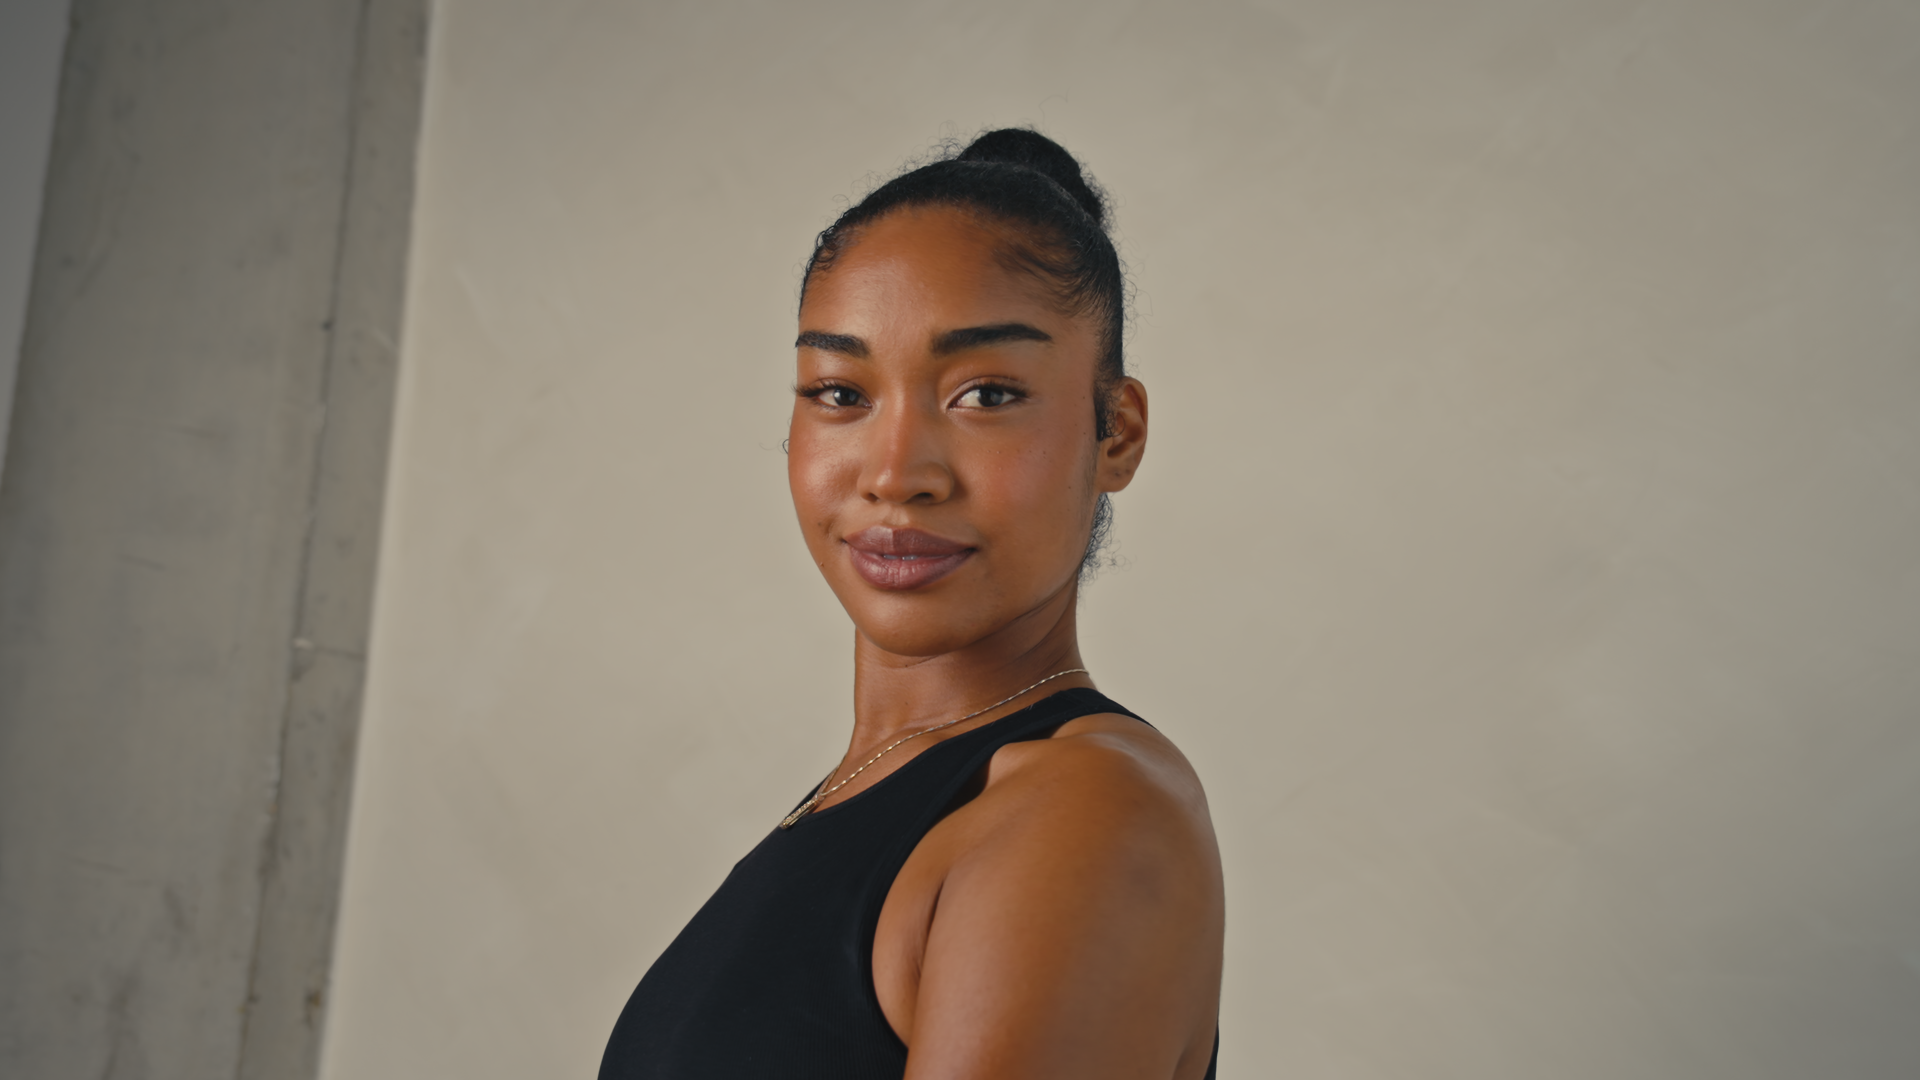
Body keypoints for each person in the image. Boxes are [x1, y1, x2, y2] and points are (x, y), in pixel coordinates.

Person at [599, 129, 1224, 1080]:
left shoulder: (1085, 814)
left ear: (1117, 434)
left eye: (987, 395)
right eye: (840, 392)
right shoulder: (872, 795)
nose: (895, 474)